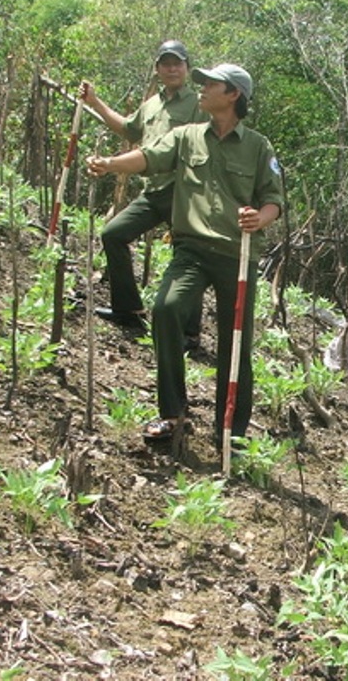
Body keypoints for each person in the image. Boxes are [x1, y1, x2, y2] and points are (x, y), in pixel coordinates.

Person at [86, 63, 283, 446]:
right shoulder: (187, 136)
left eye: (212, 84)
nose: (202, 89)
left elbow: (273, 199)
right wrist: (110, 165)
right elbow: (148, 157)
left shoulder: (258, 147)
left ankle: (231, 433)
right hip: (190, 250)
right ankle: (172, 414)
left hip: (236, 257)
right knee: (166, 309)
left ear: (234, 95)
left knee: (235, 344)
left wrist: (260, 218)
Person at [79, 39, 208, 338]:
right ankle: (128, 311)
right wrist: (95, 102)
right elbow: (129, 130)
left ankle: (189, 333)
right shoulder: (151, 104)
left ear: (187, 68)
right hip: (152, 192)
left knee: (187, 256)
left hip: (183, 192)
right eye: (166, 64)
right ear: (157, 69)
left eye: (177, 64)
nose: (172, 69)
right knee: (113, 234)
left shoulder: (198, 104)